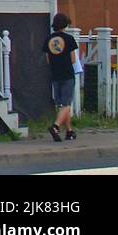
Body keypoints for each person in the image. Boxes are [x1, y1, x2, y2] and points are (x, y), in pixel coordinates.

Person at [44, 12, 79, 142]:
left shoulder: (49, 39)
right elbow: (73, 59)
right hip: (67, 74)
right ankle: (56, 126)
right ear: (65, 24)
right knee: (67, 104)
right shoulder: (69, 39)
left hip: (55, 74)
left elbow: (48, 59)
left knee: (62, 105)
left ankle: (69, 131)